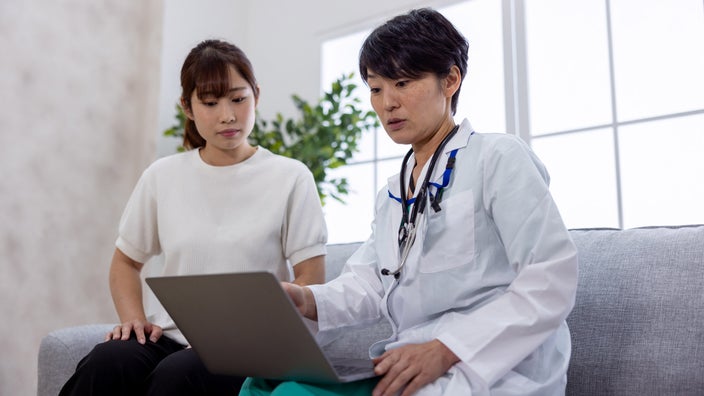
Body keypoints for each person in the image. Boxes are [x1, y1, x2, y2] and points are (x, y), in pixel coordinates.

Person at [239, 8, 578, 396]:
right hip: (411, 365)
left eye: (402, 82)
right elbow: (370, 283)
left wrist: (448, 349)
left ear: (450, 80)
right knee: (258, 383)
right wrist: (306, 299)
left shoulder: (496, 158)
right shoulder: (394, 193)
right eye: (376, 88)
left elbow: (550, 278)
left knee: (289, 395)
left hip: (492, 371)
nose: (387, 104)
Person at [59, 39, 328, 395]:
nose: (227, 115)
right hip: (168, 336)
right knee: (106, 362)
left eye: (238, 98)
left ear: (256, 96)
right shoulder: (162, 176)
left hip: (250, 347)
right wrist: (133, 321)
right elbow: (124, 262)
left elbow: (311, 278)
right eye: (210, 102)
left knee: (178, 375)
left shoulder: (291, 177)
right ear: (187, 106)